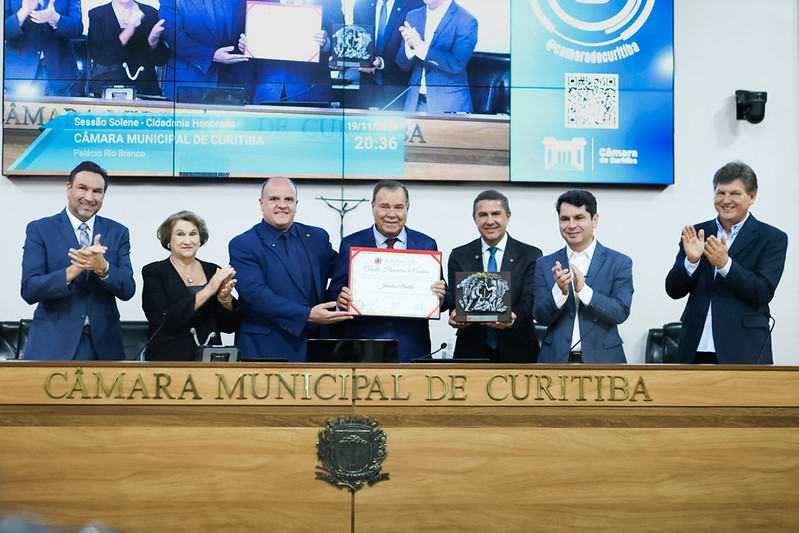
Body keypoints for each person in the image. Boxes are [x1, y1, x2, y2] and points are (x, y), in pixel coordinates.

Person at [665, 161, 787, 364]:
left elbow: (763, 291)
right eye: (720, 192)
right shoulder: (697, 233)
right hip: (695, 347)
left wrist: (725, 265)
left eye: (735, 194)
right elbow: (673, 290)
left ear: (752, 197)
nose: (726, 200)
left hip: (744, 350)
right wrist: (691, 261)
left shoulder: (772, 238)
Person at [20, 161, 136, 360]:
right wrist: (74, 270)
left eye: (97, 191)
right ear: (69, 188)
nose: (89, 198)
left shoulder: (118, 232)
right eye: (83, 188)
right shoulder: (40, 229)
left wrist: (104, 269)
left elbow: (128, 290)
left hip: (104, 348)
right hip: (52, 346)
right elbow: (29, 290)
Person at [228, 177, 350, 362]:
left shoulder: (316, 237)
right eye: (274, 199)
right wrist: (308, 315)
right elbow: (257, 295)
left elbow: (344, 270)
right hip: (265, 348)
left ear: (296, 204)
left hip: (317, 349)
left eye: (288, 199)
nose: (282, 205)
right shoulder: (244, 244)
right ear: (261, 203)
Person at [327, 180, 447, 363]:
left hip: (412, 348)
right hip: (363, 349)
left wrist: (441, 295)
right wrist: (340, 301)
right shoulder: (351, 243)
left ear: (408, 208)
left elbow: (445, 298)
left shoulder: (426, 244)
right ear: (373, 207)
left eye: (398, 207)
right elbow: (334, 292)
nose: (392, 214)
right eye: (384, 207)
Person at [533, 190, 633, 364]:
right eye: (565, 219)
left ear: (595, 220)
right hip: (554, 361)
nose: (571, 225)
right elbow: (540, 317)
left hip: (604, 361)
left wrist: (584, 291)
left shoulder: (619, 262)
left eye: (579, 218)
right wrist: (560, 293)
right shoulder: (545, 263)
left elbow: (620, 312)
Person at [447, 190, 542, 363]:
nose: (489, 221)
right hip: (471, 352)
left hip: (519, 352)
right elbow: (455, 299)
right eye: (483, 215)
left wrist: (512, 319)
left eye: (496, 214)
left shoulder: (530, 255)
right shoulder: (459, 255)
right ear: (474, 218)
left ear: (508, 216)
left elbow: (530, 302)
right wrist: (455, 316)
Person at [141, 211, 239, 361]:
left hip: (210, 360)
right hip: (167, 359)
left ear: (200, 239)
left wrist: (224, 299)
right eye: (180, 234)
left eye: (193, 234)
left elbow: (229, 326)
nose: (187, 241)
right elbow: (163, 320)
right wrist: (208, 290)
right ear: (169, 240)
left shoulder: (212, 270)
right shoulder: (154, 272)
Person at [241, 0, 344, 105]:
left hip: (312, 87)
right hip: (267, 84)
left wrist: (325, 43)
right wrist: (245, 44)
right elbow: (246, 27)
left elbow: (340, 34)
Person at [395, 0, 477, 113]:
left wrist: (420, 47)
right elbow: (402, 64)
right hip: (414, 103)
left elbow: (456, 64)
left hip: (449, 105)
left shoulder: (466, 20)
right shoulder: (413, 15)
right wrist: (410, 48)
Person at [159, 0, 250, 101]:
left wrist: (243, 44)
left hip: (231, 79)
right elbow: (172, 34)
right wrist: (211, 55)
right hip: (189, 78)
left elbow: (246, 23)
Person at [87, 0, 169, 97]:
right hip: (108, 90)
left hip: (146, 89)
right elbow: (102, 57)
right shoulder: (97, 14)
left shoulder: (150, 13)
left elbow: (161, 60)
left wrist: (153, 42)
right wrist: (129, 29)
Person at [352, 0, 423, 110]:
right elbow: (357, 40)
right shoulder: (362, 4)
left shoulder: (415, 4)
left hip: (398, 90)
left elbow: (412, 49)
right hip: (367, 89)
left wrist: (381, 62)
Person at [4, 0, 83, 97]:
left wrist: (56, 19)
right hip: (18, 73)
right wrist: (23, 12)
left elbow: (77, 28)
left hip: (61, 73)